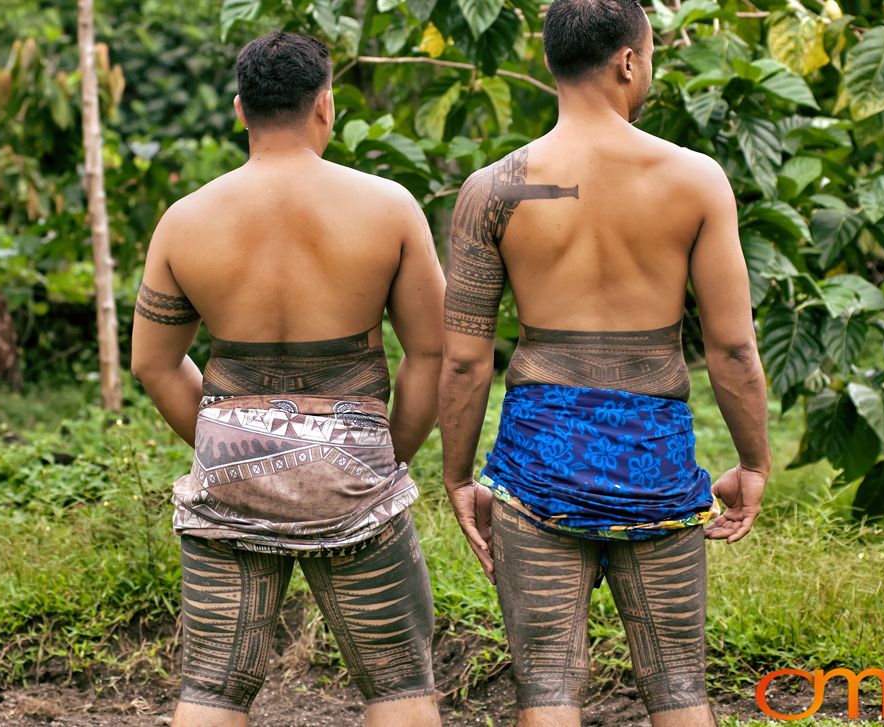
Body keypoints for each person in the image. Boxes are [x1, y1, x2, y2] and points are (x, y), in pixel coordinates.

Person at [437, 0, 771, 724]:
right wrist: (753, 464)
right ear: (627, 60)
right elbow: (732, 347)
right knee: (678, 689)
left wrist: (458, 476)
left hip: (534, 468)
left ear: (551, 63)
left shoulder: (491, 191)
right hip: (654, 464)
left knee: (548, 689)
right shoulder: (694, 179)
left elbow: (463, 362)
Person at [130, 31, 445, 727]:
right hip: (354, 466)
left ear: (240, 111)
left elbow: (153, 363)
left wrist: (229, 438)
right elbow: (432, 355)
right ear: (325, 106)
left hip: (228, 470)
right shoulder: (388, 207)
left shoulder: (185, 220)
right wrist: (385, 458)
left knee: (211, 690)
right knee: (399, 687)